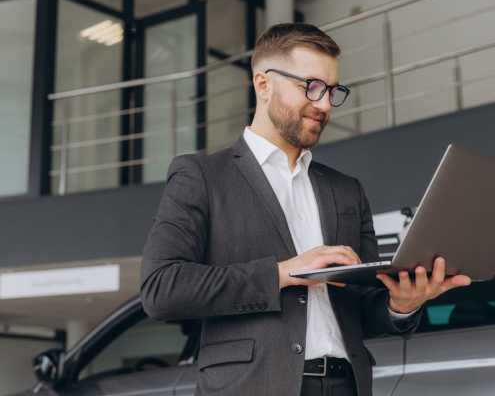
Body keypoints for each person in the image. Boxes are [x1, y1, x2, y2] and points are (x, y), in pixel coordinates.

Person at [140, 23, 471, 396]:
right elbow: (161, 289)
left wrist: (401, 304)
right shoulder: (202, 176)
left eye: (333, 90)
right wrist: (283, 272)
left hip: (346, 384)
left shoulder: (347, 190)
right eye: (311, 86)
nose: (325, 104)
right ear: (263, 84)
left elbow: (361, 309)